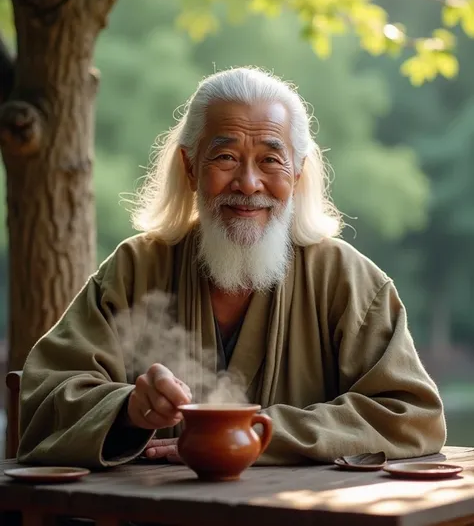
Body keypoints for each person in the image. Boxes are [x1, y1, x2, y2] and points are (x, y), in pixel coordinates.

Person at [18, 67, 446, 468]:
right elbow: (46, 396)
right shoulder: (137, 268)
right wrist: (128, 409)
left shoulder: (346, 281)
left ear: (296, 174)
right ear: (190, 168)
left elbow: (410, 414)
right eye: (225, 157)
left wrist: (258, 436)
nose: (248, 183)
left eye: (271, 160)